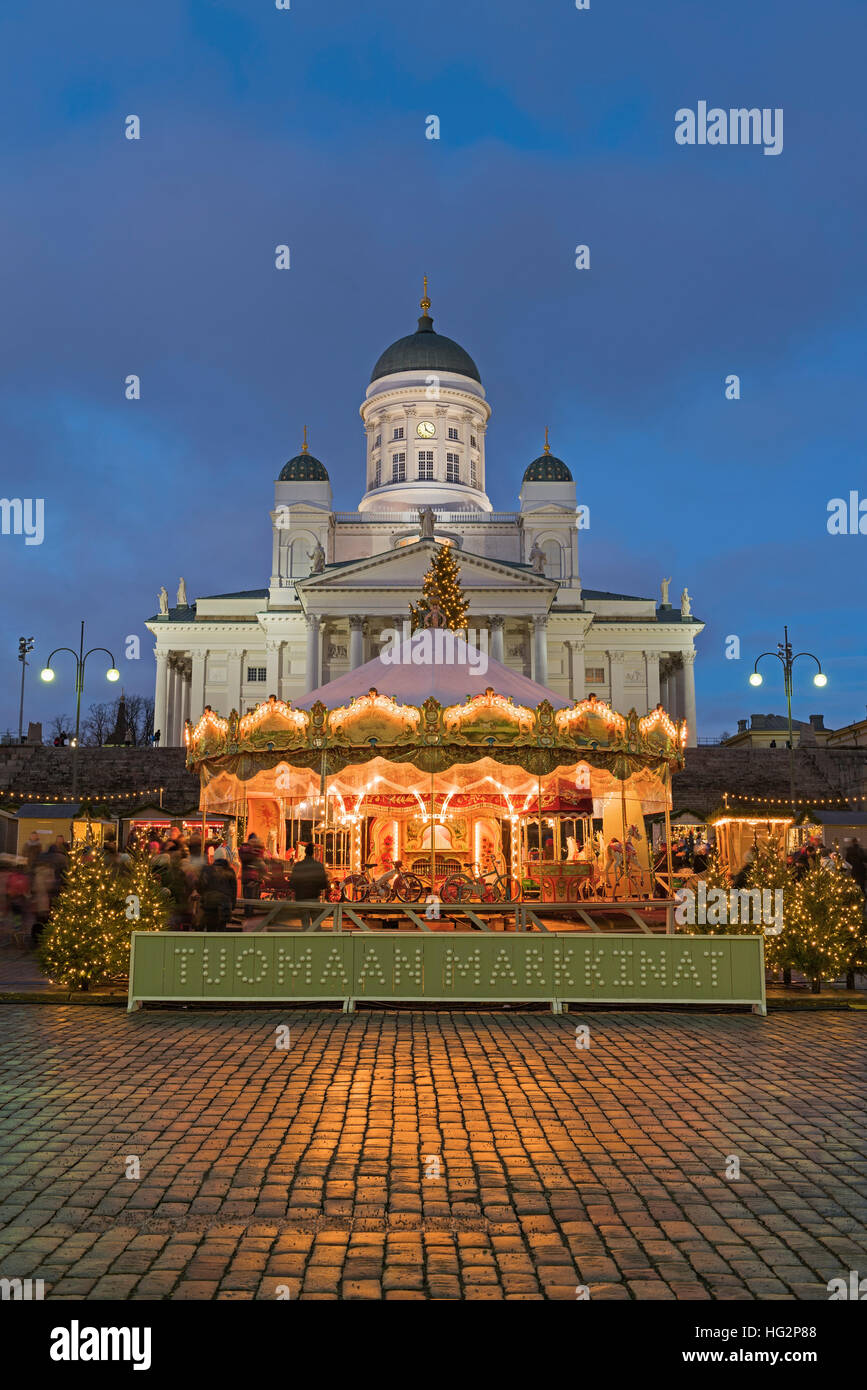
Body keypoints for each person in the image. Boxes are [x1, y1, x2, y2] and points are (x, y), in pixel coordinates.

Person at [288, 842, 330, 929]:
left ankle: (306, 939)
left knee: (305, 924)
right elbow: (324, 884)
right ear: (313, 853)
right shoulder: (319, 866)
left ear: (305, 852)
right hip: (314, 898)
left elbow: (292, 883)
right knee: (316, 924)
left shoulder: (298, 866)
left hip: (301, 899)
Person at [198, 848, 238, 931]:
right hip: (225, 903)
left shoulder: (207, 870)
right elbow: (233, 889)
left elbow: (201, 885)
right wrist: (233, 904)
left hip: (209, 902)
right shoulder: (230, 871)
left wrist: (203, 898)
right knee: (221, 929)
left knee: (210, 928)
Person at [239, 832, 266, 903]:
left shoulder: (244, 848)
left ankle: (247, 911)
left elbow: (242, 860)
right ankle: (252, 910)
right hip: (255, 876)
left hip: (246, 876)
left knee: (247, 898)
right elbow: (261, 862)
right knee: (254, 897)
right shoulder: (258, 847)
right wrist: (264, 874)